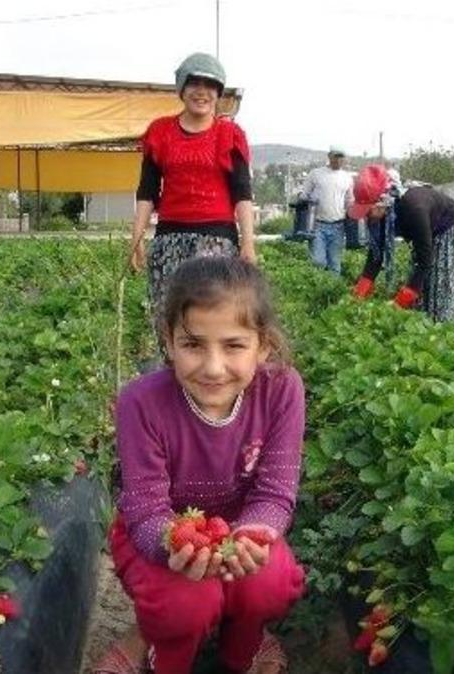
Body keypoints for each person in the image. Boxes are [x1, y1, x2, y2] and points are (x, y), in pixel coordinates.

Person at [95, 256, 305, 674]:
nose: (212, 367)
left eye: (234, 345)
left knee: (270, 584)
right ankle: (164, 652)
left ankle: (241, 648)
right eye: (192, 344)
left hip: (240, 529)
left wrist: (252, 534)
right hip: (162, 536)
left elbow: (274, 494)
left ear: (262, 345)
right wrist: (175, 544)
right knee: (185, 604)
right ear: (169, 342)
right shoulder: (141, 402)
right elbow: (146, 508)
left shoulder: (281, 390)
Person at [129, 52, 256, 329]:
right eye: (194, 83)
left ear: (218, 93)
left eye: (210, 86)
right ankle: (173, 372)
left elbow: (242, 193)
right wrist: (137, 236)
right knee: (168, 316)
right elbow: (147, 190)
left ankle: (209, 372)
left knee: (212, 318)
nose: (202, 92)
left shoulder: (230, 135)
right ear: (182, 89)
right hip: (169, 239)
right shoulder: (159, 132)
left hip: (217, 241)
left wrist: (248, 242)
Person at [348, 164, 454, 326]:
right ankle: (428, 329)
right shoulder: (380, 217)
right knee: (425, 292)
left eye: (368, 210)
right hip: (430, 235)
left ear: (383, 201)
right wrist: (359, 294)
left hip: (452, 231)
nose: (365, 216)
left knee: (445, 289)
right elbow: (375, 257)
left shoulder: (413, 208)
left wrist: (401, 301)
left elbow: (424, 261)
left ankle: (451, 335)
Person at [299, 146, 355, 274]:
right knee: (318, 262)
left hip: (338, 226)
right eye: (336, 156)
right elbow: (304, 193)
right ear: (329, 156)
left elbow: (349, 201)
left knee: (335, 264)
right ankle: (318, 289)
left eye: (341, 157)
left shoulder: (347, 178)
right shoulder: (316, 174)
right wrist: (302, 199)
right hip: (317, 225)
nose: (339, 160)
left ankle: (333, 291)